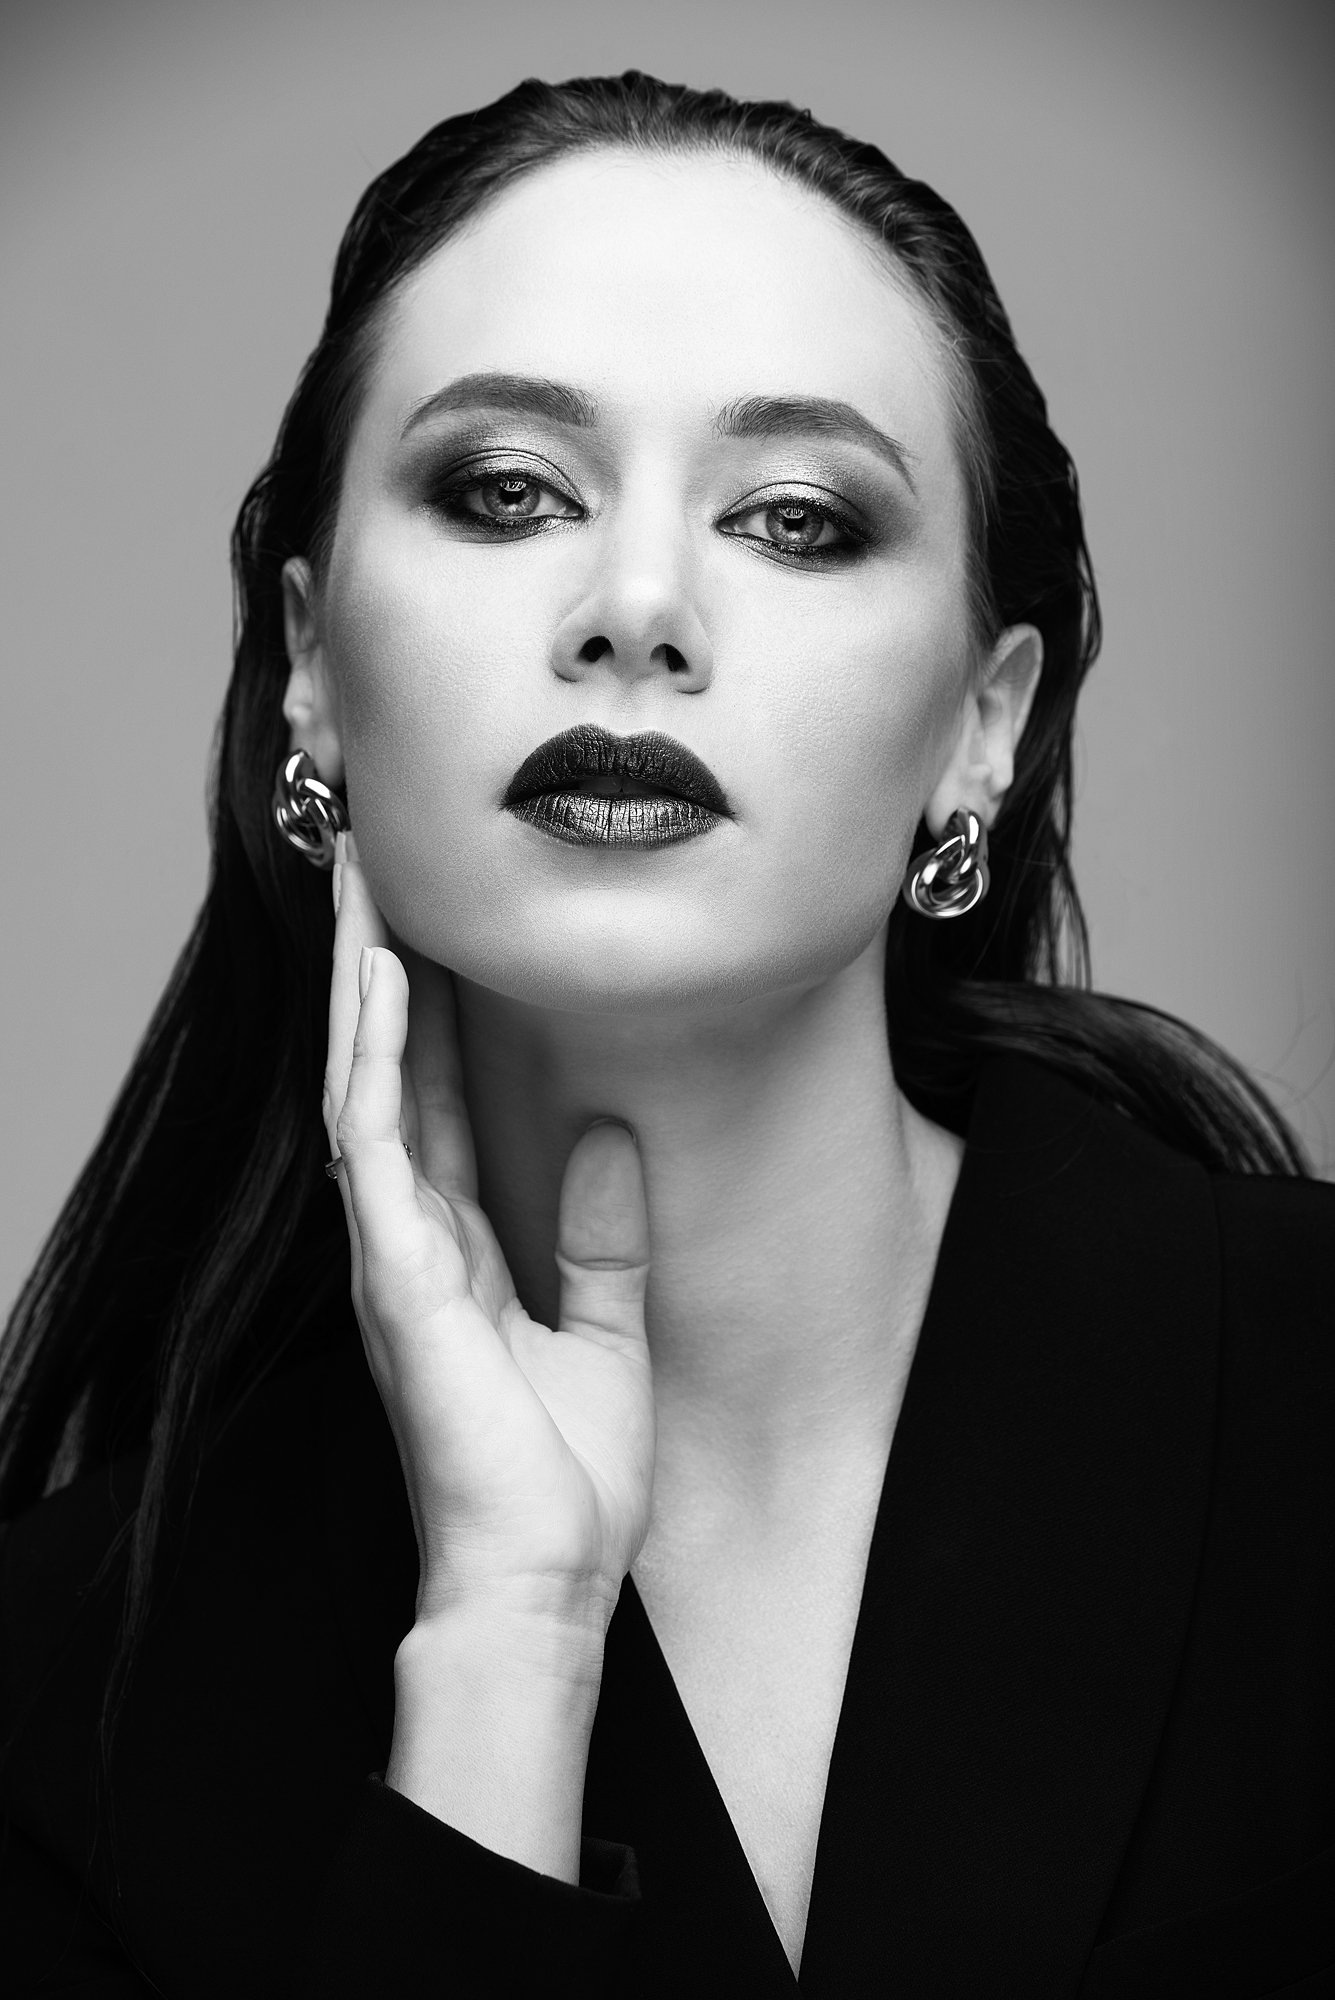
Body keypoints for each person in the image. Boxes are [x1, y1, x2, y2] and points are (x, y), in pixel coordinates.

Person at [0, 70, 1329, 1999]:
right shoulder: (63, 1691)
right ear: (310, 666)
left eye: (796, 519)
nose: (636, 608)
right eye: (506, 491)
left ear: (985, 725)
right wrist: (509, 1636)